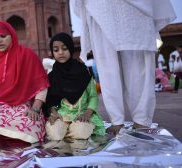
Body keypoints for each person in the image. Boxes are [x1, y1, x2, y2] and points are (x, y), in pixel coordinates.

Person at [71, 0, 176, 134]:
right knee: (108, 67)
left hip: (134, 9)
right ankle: (117, 120)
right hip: (99, 7)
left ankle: (141, 120)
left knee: (137, 63)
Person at [0, 21, 50, 143]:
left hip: (26, 107)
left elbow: (42, 85)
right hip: (1, 107)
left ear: (12, 36)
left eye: (3, 36)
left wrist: (35, 108)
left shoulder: (27, 55)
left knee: (29, 126)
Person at [44, 33, 105, 140]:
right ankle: (67, 132)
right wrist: (53, 113)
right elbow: (51, 100)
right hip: (62, 115)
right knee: (54, 133)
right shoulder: (53, 76)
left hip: (82, 114)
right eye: (56, 50)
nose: (61, 53)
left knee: (80, 132)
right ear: (52, 52)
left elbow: (93, 96)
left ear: (71, 49)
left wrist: (87, 114)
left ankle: (70, 132)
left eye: (65, 48)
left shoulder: (82, 72)